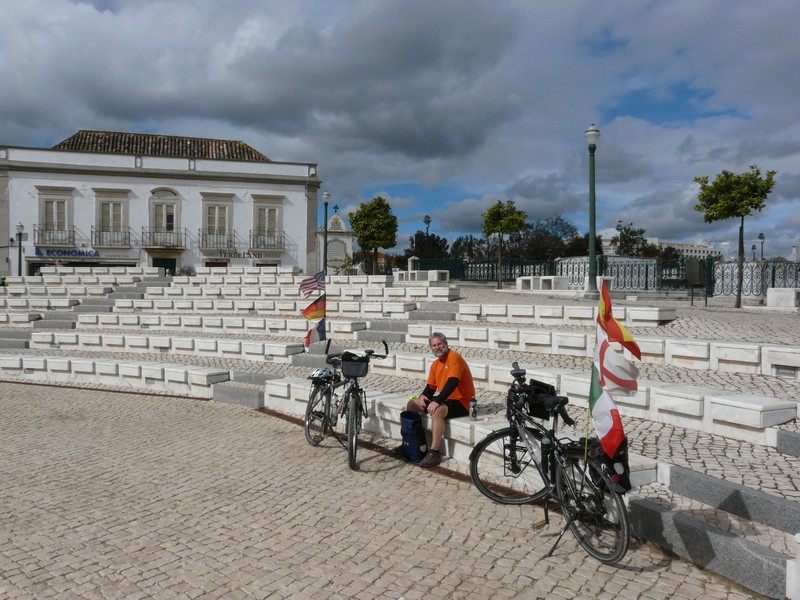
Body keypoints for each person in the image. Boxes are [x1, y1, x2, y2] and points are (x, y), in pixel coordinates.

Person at [393, 332, 476, 467]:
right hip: (446, 400)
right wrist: (423, 396)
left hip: (464, 401)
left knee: (437, 410)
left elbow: (453, 382)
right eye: (434, 346)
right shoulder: (436, 365)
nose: (437, 347)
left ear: (446, 344)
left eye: (439, 344)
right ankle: (411, 442)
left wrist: (436, 401)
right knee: (412, 404)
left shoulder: (454, 357)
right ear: (431, 348)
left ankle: (434, 452)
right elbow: (430, 387)